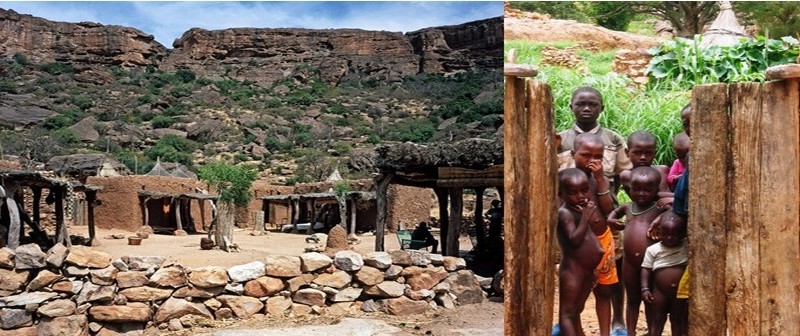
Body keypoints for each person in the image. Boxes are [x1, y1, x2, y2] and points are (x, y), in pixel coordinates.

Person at [558, 86, 630, 335]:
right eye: (580, 104)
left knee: (611, 276)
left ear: (602, 107)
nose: (586, 108)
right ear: (571, 107)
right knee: (576, 274)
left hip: (603, 217)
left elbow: (623, 174)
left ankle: (617, 322)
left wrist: (612, 201)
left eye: (593, 104)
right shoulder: (561, 139)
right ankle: (568, 319)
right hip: (576, 222)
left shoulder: (613, 139)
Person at [607, 167, 670, 336]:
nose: (641, 193)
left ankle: (651, 332)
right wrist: (611, 220)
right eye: (636, 189)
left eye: (647, 190)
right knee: (632, 300)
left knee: (650, 300)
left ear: (656, 191)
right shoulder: (628, 207)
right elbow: (614, 213)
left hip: (651, 265)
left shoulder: (658, 207)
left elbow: (673, 208)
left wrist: (660, 217)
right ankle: (631, 332)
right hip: (630, 263)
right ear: (629, 189)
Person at [572, 132, 617, 336]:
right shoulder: (567, 180)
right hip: (581, 244)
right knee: (578, 293)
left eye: (597, 157)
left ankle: (605, 333)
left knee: (604, 291)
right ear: (573, 153)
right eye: (586, 155)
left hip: (603, 239)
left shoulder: (600, 179)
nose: (592, 161)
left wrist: (600, 179)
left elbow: (607, 208)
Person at [556, 168, 605, 336]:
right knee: (567, 313)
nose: (581, 196)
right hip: (573, 271)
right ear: (561, 194)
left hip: (587, 271)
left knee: (577, 310)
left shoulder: (579, 209)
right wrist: (586, 218)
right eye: (573, 192)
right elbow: (574, 240)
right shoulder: (564, 213)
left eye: (585, 190)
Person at [641, 211, 688, 336]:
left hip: (680, 293)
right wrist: (645, 288)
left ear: (682, 234)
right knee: (657, 319)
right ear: (659, 232)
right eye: (665, 234)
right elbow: (646, 269)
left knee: (677, 320)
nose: (669, 238)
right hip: (659, 291)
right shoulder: (653, 249)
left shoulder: (686, 246)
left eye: (674, 235)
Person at [618, 131, 670, 196]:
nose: (643, 157)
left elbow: (664, 195)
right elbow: (650, 197)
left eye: (648, 153)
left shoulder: (662, 170)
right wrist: (677, 196)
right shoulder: (627, 175)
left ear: (655, 153)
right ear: (627, 152)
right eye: (637, 153)